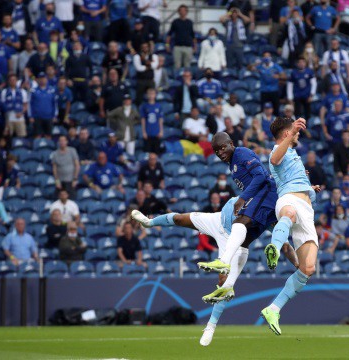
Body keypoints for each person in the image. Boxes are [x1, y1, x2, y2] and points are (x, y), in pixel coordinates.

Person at [132, 196, 298, 346]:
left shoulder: (272, 216)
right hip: (216, 220)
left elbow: (285, 245)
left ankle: (210, 326)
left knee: (224, 284)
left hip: (235, 244)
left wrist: (297, 264)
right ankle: (149, 222)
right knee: (180, 218)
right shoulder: (259, 186)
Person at [256, 117, 321, 336]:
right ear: (286, 134)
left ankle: (273, 308)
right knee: (289, 214)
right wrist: (292, 128)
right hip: (289, 202)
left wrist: (309, 187)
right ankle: (274, 246)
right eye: (294, 131)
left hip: (307, 209)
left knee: (308, 268)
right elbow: (274, 159)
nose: (298, 133)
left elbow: (288, 173)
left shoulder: (292, 154)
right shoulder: (278, 150)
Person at [196, 131, 281, 298]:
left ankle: (224, 262)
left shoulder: (242, 153)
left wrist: (243, 198)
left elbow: (260, 176)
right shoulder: (232, 163)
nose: (220, 153)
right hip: (262, 200)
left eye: (222, 148)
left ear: (231, 144)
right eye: (216, 151)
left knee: (239, 223)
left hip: (266, 195)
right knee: (245, 241)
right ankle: (228, 285)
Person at [166, 5, 196, 69]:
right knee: (177, 66)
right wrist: (167, 45)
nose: (182, 12)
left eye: (184, 10)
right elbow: (169, 35)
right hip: (177, 47)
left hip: (188, 47)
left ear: (186, 12)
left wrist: (195, 47)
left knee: (187, 67)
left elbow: (193, 36)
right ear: (178, 12)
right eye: (181, 10)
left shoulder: (190, 22)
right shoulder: (175, 22)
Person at [288, 56, 316, 121]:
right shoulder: (293, 73)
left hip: (307, 96)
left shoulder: (309, 72)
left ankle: (308, 126)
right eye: (299, 62)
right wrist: (290, 98)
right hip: (297, 96)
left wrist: (311, 95)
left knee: (308, 113)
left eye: (303, 62)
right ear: (297, 64)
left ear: (305, 63)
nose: (301, 64)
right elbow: (290, 85)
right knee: (297, 113)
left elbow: (314, 83)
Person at [1, 74, 28, 138]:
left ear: (16, 81)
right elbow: (2, 105)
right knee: (8, 137)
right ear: (9, 81)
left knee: (22, 136)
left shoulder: (23, 92)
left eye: (14, 80)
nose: (12, 81)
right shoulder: (4, 92)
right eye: (11, 80)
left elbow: (26, 105)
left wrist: (21, 113)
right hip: (9, 118)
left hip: (20, 118)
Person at [140, 87, 163, 154]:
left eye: (152, 94)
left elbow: (160, 119)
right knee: (148, 153)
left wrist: (161, 131)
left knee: (157, 152)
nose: (151, 95)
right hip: (148, 133)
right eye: (149, 94)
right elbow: (143, 119)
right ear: (147, 95)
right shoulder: (144, 106)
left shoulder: (158, 106)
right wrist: (144, 132)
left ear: (155, 95)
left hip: (156, 133)